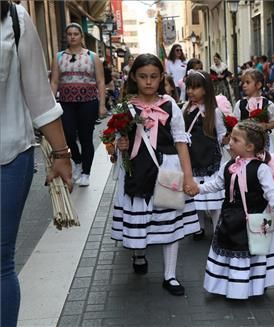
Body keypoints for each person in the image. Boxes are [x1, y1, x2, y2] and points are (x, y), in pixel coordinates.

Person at [1, 3, 72, 326]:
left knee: (0, 264)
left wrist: (62, 155)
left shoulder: (14, 19)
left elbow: (39, 96)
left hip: (7, 160)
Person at [111, 54, 200, 296]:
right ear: (133, 77)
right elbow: (118, 141)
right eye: (142, 77)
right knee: (139, 215)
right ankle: (139, 254)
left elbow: (181, 142)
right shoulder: (125, 107)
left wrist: (189, 178)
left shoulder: (170, 105)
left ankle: (169, 275)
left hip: (167, 167)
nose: (148, 82)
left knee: (169, 217)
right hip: (136, 169)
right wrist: (120, 144)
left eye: (153, 77)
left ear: (161, 78)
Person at [194, 120, 274, 299]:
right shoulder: (228, 166)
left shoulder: (261, 169)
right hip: (229, 217)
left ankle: (253, 285)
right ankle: (228, 284)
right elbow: (216, 184)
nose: (230, 142)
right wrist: (198, 189)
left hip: (254, 219)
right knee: (230, 249)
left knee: (253, 252)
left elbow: (270, 192)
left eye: (235, 140)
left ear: (250, 146)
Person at [50, 22, 107, 187]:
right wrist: (50, 103)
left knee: (86, 137)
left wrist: (102, 104)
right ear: (66, 37)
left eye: (76, 34)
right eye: (70, 34)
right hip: (66, 102)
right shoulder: (59, 56)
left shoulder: (92, 56)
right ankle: (77, 160)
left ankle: (86, 172)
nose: (73, 37)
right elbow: (54, 81)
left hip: (88, 102)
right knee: (67, 134)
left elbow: (101, 81)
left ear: (81, 37)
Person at [183, 70, 226, 240]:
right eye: (189, 88)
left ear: (206, 90)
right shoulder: (185, 109)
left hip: (210, 160)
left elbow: (222, 135)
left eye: (196, 88)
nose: (191, 92)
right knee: (195, 199)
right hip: (192, 159)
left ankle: (217, 229)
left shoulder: (214, 112)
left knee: (214, 199)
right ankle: (198, 227)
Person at [233, 69, 274, 153]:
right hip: (244, 142)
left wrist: (266, 126)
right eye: (243, 82)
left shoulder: (268, 104)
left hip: (263, 142)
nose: (244, 85)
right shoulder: (240, 104)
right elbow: (236, 122)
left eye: (248, 82)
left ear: (258, 85)